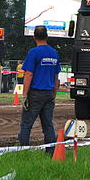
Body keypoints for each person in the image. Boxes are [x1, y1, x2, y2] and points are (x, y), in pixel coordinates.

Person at [18, 25, 61, 156]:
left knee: (26, 125)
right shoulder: (54, 53)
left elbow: (28, 74)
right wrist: (53, 95)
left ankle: (23, 152)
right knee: (48, 125)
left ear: (34, 37)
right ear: (47, 36)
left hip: (35, 93)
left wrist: (24, 95)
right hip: (48, 94)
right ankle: (50, 153)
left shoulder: (33, 52)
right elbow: (56, 77)